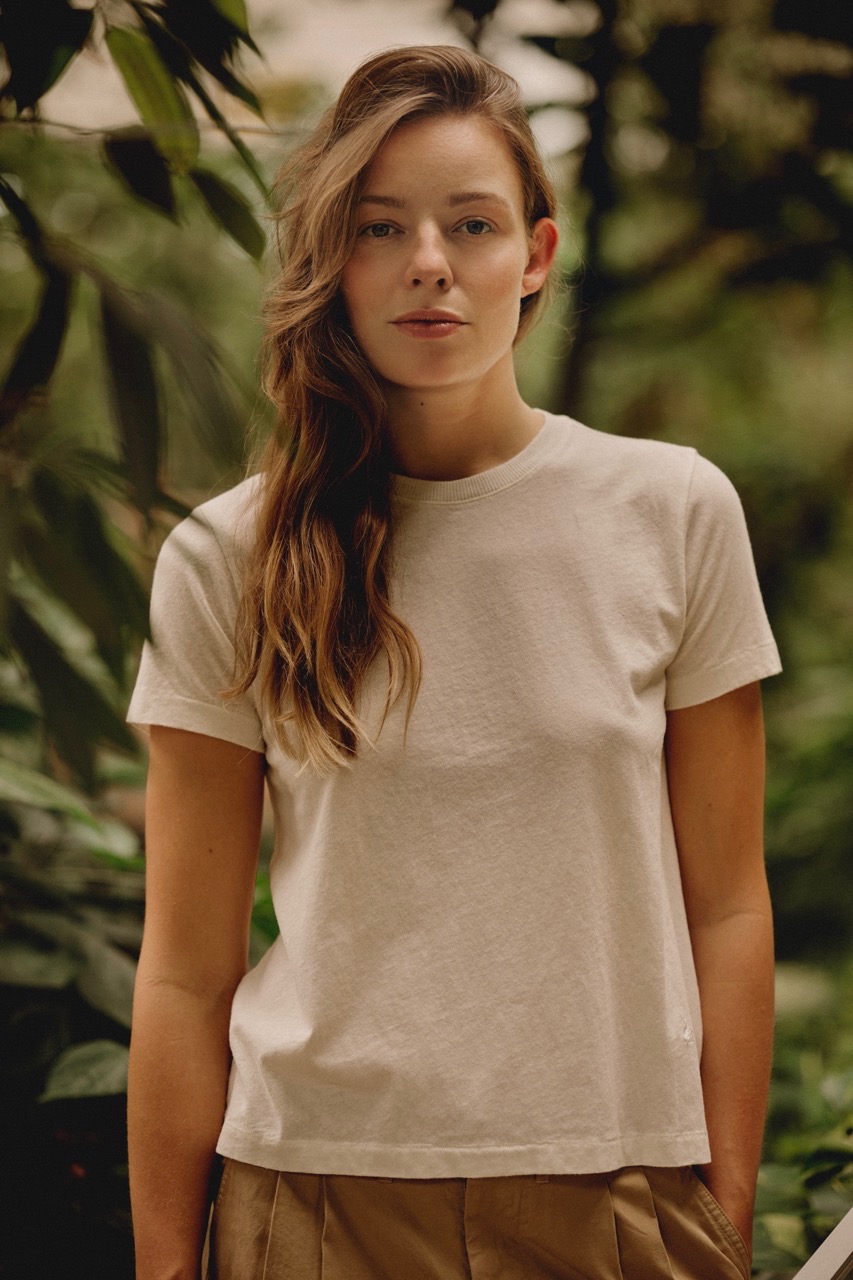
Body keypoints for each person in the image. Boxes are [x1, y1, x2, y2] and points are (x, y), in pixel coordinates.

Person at [126, 44, 782, 1280]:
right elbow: (184, 967)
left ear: (533, 255)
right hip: (315, 1198)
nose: (429, 262)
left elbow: (727, 902)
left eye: (469, 223)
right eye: (380, 228)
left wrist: (722, 1210)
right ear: (333, 264)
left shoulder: (673, 510)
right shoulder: (227, 557)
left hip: (617, 1188)